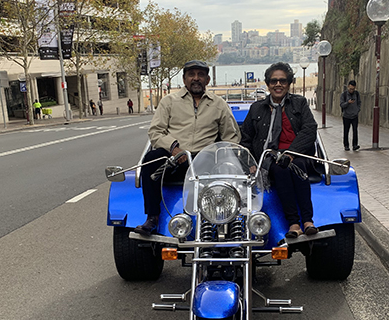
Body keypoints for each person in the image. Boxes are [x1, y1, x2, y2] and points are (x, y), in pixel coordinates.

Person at [135, 60, 240, 235]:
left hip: (205, 159)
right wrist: (174, 148)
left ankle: (213, 221)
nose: (196, 78)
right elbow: (155, 132)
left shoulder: (219, 104)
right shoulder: (169, 101)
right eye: (191, 75)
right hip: (175, 158)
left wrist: (222, 153)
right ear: (184, 79)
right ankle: (152, 217)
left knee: (216, 163)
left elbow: (231, 136)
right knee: (151, 160)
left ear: (207, 80)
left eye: (200, 75)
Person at [241, 62, 319, 238]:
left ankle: (308, 221)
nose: (278, 84)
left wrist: (291, 153)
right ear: (268, 84)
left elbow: (309, 129)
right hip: (269, 158)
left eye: (282, 81)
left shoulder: (299, 103)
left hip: (296, 154)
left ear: (289, 83)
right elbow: (245, 138)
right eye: (274, 81)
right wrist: (250, 162)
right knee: (280, 169)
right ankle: (293, 223)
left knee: (297, 166)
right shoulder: (256, 108)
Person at [339, 80, 361, 151]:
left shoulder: (357, 94)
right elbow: (341, 104)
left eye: (353, 89)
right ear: (348, 86)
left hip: (354, 116)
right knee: (346, 131)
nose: (352, 90)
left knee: (355, 130)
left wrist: (357, 110)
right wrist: (348, 102)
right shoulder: (344, 94)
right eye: (350, 89)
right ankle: (346, 145)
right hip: (346, 116)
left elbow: (359, 102)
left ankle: (355, 145)